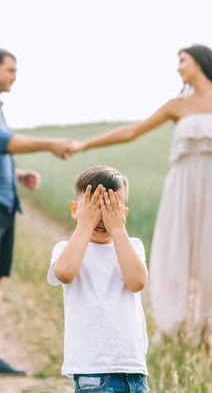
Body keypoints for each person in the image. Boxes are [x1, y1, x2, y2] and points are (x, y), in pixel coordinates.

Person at [71, 44, 212, 357]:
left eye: (183, 61)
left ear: (201, 62)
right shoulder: (176, 105)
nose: (179, 67)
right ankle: (177, 328)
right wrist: (85, 144)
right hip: (181, 187)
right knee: (177, 251)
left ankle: (210, 332)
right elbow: (132, 132)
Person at [0, 48, 75, 374]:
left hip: (2, 200)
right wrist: (50, 143)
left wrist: (15, 173)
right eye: (10, 69)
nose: (14, 76)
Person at [47, 165, 149, 392]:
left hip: (133, 370)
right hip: (92, 372)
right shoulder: (66, 248)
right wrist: (85, 224)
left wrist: (118, 231)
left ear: (123, 214)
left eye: (110, 208)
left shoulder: (132, 246)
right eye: (93, 207)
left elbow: (137, 282)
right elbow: (64, 273)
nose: (101, 217)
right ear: (75, 209)